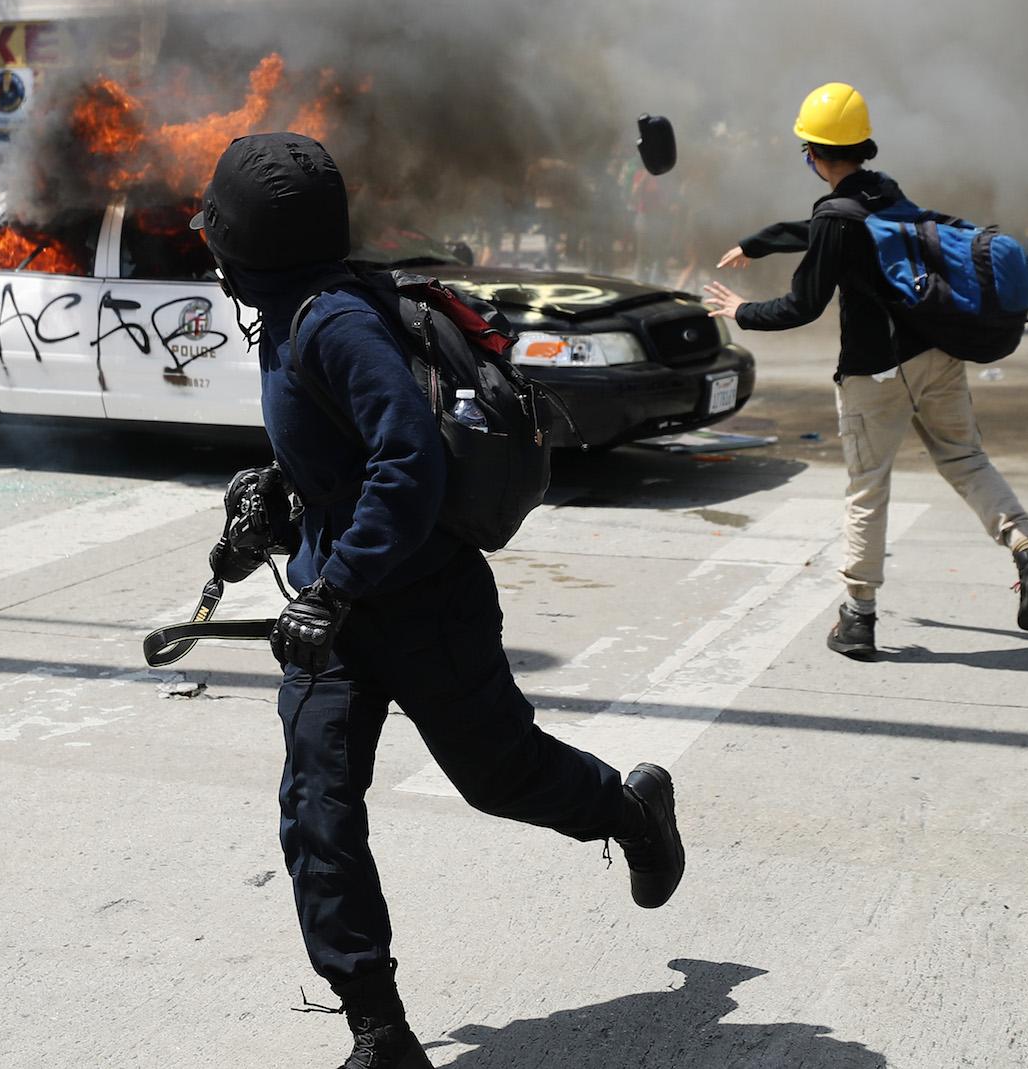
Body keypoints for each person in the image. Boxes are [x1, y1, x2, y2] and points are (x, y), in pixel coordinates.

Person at [190, 133, 684, 1069]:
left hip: (421, 604)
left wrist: (332, 582)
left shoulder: (332, 322)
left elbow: (409, 461)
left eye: (218, 232)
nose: (210, 248)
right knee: (319, 811)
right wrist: (276, 502)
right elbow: (342, 460)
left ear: (249, 245)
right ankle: (379, 1028)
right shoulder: (291, 312)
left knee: (501, 777)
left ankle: (630, 810)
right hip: (336, 624)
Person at [702, 83, 1028, 658]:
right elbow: (826, 229)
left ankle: (858, 617)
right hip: (938, 357)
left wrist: (740, 311)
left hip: (877, 376)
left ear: (814, 156)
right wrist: (760, 242)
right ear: (862, 147)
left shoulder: (837, 219)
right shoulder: (886, 195)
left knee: (867, 490)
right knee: (967, 460)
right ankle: (1027, 548)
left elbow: (802, 304)